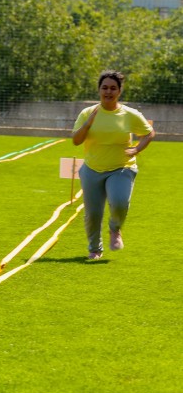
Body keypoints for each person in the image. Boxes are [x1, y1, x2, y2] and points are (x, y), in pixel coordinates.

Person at [72, 70, 154, 260]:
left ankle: (114, 229)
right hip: (92, 168)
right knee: (93, 214)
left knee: (119, 203)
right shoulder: (87, 113)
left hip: (122, 167)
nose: (108, 92)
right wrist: (87, 125)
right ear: (99, 89)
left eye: (113, 88)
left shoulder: (129, 114)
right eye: (105, 88)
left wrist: (136, 149)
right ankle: (94, 249)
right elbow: (76, 141)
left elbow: (149, 133)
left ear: (119, 91)